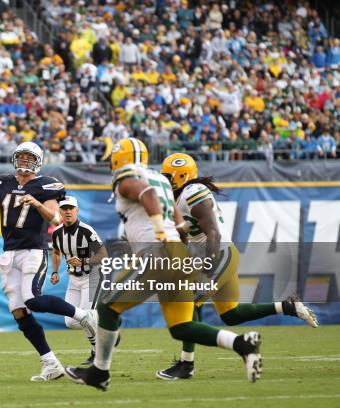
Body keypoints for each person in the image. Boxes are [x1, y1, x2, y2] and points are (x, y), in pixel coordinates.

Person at [66, 138, 264, 391]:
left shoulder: (130, 176)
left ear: (119, 158)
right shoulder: (161, 180)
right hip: (176, 254)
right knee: (182, 327)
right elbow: (179, 221)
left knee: (107, 307)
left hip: (157, 254)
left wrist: (159, 229)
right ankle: (243, 345)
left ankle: (99, 372)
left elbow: (146, 194)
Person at [155, 153, 318, 380]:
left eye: (169, 177)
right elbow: (185, 236)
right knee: (232, 315)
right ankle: (288, 307)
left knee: (190, 301)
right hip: (213, 255)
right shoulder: (176, 198)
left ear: (182, 176)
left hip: (218, 255)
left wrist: (207, 268)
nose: (166, 182)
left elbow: (213, 232)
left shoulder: (193, 192)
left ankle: (186, 365)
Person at [0, 141, 97, 382]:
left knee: (33, 299)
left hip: (33, 250)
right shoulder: (4, 182)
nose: (24, 162)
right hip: (10, 253)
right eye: (21, 157)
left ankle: (83, 316)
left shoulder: (46, 185)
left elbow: (54, 218)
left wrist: (36, 202)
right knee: (19, 311)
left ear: (39, 161)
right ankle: (50, 363)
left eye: (30, 158)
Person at [51, 196, 108, 365]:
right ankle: (106, 328)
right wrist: (54, 272)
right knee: (70, 321)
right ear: (60, 211)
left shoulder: (86, 231)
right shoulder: (57, 233)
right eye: (64, 208)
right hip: (73, 279)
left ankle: (97, 352)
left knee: (86, 316)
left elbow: (103, 255)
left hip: (92, 276)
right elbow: (56, 252)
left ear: (77, 210)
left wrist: (84, 261)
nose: (68, 211)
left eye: (71, 208)